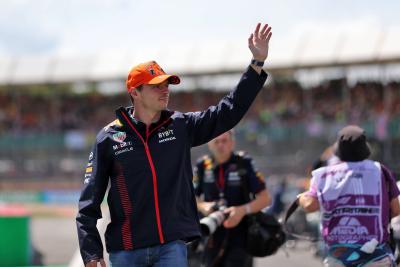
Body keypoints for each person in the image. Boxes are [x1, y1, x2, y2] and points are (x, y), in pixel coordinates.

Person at [76, 23, 272, 267]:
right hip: (126, 251)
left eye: (166, 84)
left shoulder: (180, 126)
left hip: (172, 246)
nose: (165, 90)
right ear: (135, 92)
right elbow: (88, 203)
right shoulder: (108, 137)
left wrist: (256, 64)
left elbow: (228, 112)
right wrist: (92, 253)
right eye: (156, 85)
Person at [298, 125, 400, 267]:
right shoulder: (380, 171)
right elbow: (395, 209)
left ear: (338, 150)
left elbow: (310, 205)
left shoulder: (324, 174)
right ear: (365, 149)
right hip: (376, 254)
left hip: (340, 257)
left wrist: (301, 198)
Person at [193, 130, 271, 267]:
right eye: (216, 142)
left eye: (224, 141)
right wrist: (204, 206)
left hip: (241, 237)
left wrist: (241, 210)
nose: (220, 145)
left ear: (232, 143)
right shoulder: (202, 165)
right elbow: (190, 198)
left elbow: (265, 199)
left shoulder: (244, 162)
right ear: (209, 144)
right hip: (211, 233)